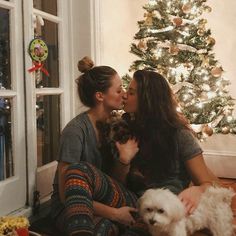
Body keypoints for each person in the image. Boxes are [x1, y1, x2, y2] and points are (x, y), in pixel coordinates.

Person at [117, 69, 219, 236]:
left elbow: (207, 183)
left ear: (147, 99)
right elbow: (118, 182)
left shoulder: (179, 135)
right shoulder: (125, 130)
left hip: (163, 210)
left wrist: (198, 190)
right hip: (132, 202)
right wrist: (124, 161)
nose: (125, 96)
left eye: (132, 92)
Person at [50, 57, 139, 236]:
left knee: (111, 224)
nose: (124, 94)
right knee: (103, 228)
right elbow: (65, 194)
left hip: (103, 199)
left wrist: (124, 161)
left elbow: (113, 185)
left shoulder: (119, 126)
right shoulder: (75, 131)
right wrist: (114, 214)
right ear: (100, 96)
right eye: (119, 89)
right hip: (71, 205)